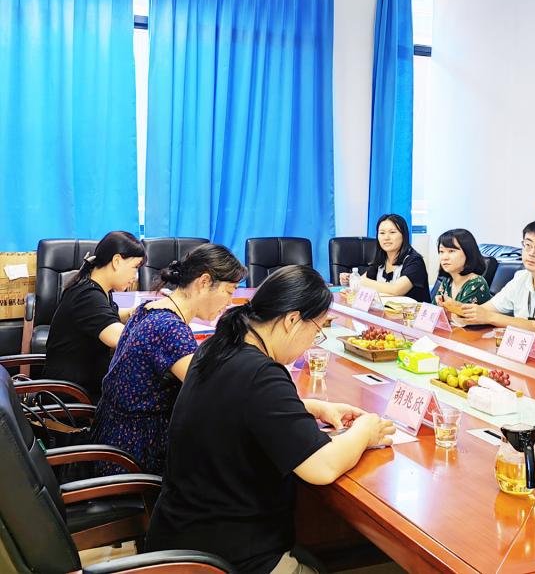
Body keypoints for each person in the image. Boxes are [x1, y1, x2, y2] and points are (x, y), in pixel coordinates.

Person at [146, 265, 395, 574]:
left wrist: (308, 407)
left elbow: (238, 407)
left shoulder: (219, 346)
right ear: (292, 320)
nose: (312, 341)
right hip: (225, 557)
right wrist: (365, 431)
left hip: (181, 537)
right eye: (316, 330)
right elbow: (322, 467)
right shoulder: (262, 374)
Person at [92, 243, 246, 475]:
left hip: (113, 440)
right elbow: (216, 392)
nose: (229, 302)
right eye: (229, 291)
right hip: (135, 456)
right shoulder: (169, 329)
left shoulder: (149, 309)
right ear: (204, 282)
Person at [42, 231, 145, 401]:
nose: (134, 277)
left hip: (81, 386)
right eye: (135, 267)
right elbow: (120, 338)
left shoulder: (96, 288)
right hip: (73, 397)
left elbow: (107, 316)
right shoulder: (88, 296)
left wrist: (137, 311)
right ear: (117, 261)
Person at [460, 220, 535, 331]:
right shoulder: (521, 277)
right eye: (528, 245)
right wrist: (457, 310)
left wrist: (489, 317)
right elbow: (487, 309)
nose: (531, 253)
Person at [341, 214, 430, 303]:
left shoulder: (415, 261)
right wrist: (351, 279)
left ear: (403, 235)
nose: (386, 237)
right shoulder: (381, 259)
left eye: (392, 232)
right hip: (384, 310)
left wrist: (361, 281)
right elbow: (363, 281)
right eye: (382, 233)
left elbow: (396, 290)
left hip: (411, 311)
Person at [434, 228, 492, 314]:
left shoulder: (477, 283)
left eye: (451, 251)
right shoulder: (447, 281)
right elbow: (434, 311)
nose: (444, 257)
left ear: (468, 253)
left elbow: (462, 317)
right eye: (441, 251)